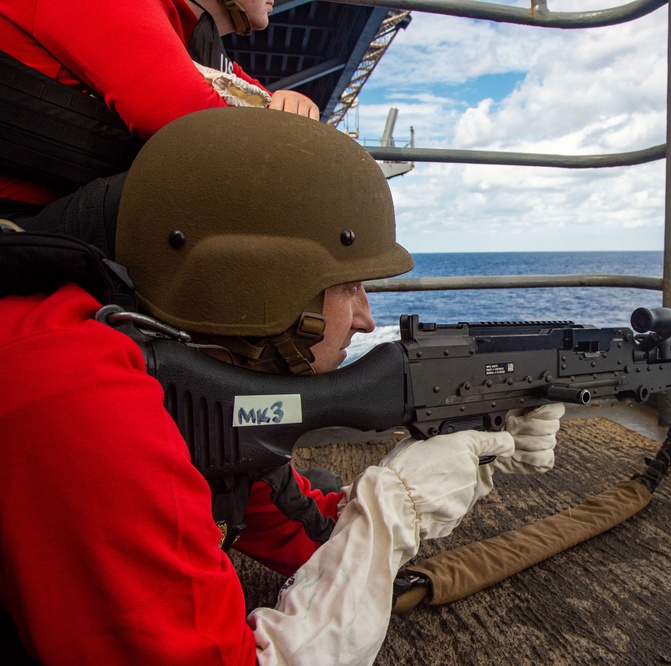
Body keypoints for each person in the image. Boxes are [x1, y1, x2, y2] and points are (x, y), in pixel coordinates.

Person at [0, 107, 563, 664]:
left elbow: (309, 535)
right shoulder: (80, 400)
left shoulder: (169, 374)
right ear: (262, 287)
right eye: (351, 286)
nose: (366, 319)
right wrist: (396, 509)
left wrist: (471, 450)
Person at [0, 0, 319, 256]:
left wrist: (290, 100)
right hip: (19, 228)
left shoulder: (185, 36)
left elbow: (267, 116)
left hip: (52, 221)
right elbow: (200, 131)